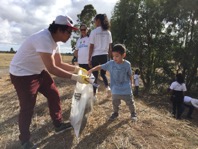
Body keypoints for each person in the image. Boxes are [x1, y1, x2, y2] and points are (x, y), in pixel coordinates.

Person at [9, 15, 89, 149]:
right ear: (58, 29)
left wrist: (78, 69)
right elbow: (52, 68)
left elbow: (59, 63)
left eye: (71, 32)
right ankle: (25, 141)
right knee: (27, 107)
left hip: (38, 71)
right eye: (68, 32)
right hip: (22, 74)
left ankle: (58, 124)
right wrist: (76, 78)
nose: (70, 35)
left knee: (54, 94)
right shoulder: (43, 38)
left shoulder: (55, 42)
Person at [88, 44, 137, 121]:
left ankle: (133, 113)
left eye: (117, 56)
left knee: (130, 102)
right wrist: (92, 69)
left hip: (126, 89)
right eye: (113, 56)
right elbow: (100, 66)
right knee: (115, 103)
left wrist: (132, 83)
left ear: (123, 55)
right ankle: (115, 113)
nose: (114, 58)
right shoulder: (110, 63)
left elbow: (130, 74)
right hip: (115, 89)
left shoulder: (127, 64)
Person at [88, 14, 112, 98]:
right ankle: (108, 88)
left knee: (94, 75)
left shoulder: (94, 32)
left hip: (95, 56)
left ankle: (94, 94)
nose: (94, 22)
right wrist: (110, 58)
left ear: (98, 20)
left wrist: (89, 58)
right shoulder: (108, 32)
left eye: (95, 20)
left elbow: (91, 46)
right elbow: (110, 47)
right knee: (103, 74)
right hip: (104, 56)